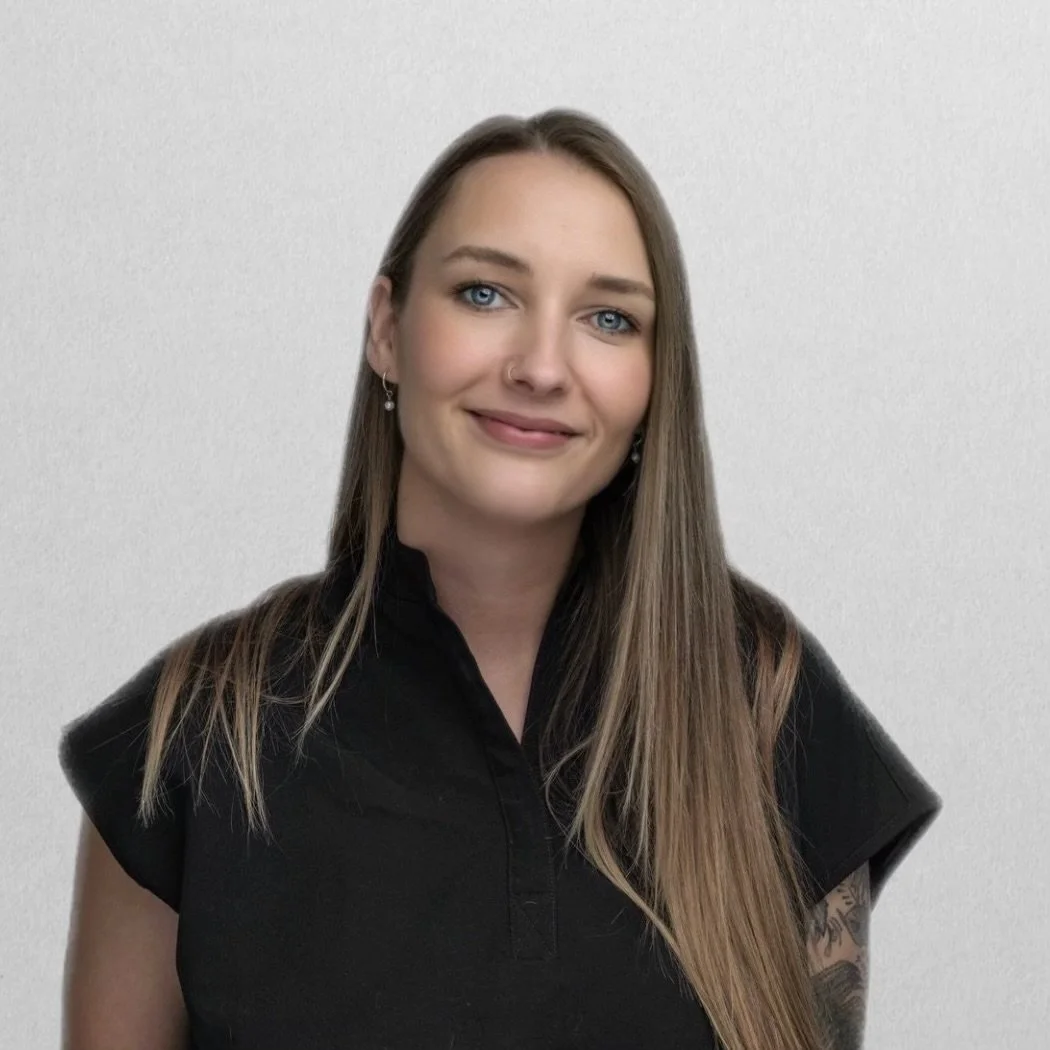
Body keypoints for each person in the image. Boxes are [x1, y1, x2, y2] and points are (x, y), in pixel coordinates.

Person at [58, 108, 941, 1050]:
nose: (542, 367)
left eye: (608, 319)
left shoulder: (767, 704)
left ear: (655, 382)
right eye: (485, 294)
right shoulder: (195, 733)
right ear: (388, 330)